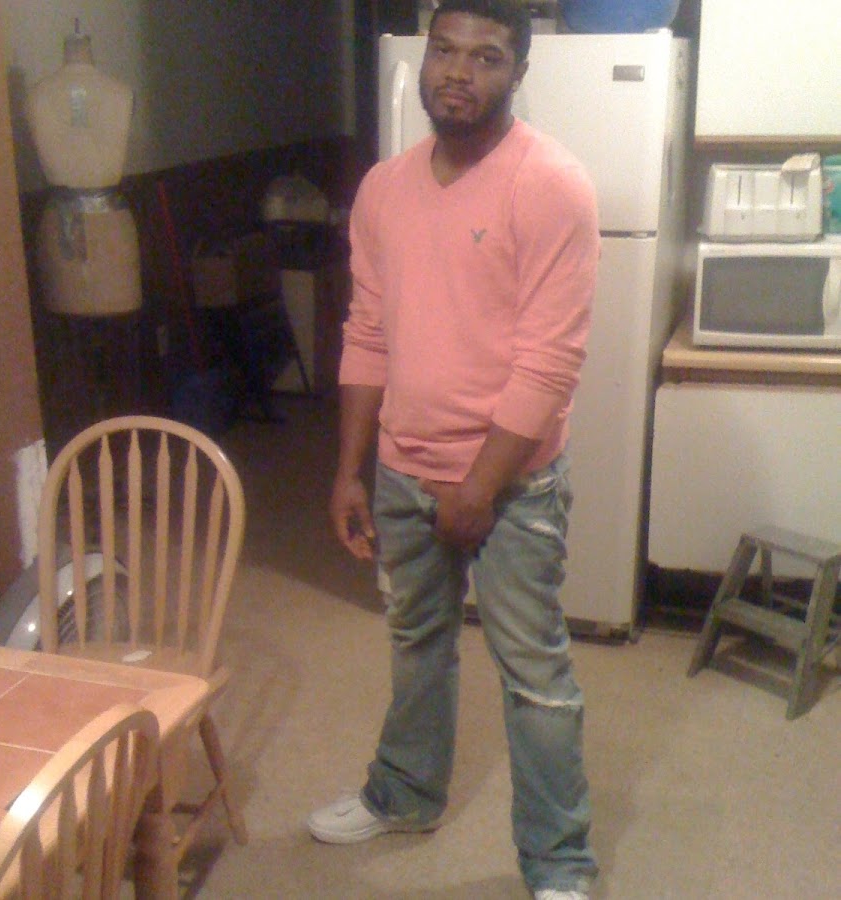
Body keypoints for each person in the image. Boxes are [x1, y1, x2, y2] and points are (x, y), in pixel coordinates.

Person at [307, 1, 600, 897]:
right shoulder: (383, 189)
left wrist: (478, 488)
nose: (458, 73)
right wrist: (350, 469)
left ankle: (558, 863)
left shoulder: (550, 184)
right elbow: (367, 332)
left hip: (511, 486)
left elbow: (549, 362)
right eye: (444, 51)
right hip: (401, 468)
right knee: (417, 643)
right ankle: (405, 794)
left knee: (534, 672)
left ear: (519, 72)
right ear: (423, 59)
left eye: (486, 57)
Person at [27, 25, 141, 316]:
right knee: (65, 320)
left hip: (111, 225)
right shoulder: (37, 96)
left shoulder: (120, 92)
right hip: (60, 226)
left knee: (121, 314)